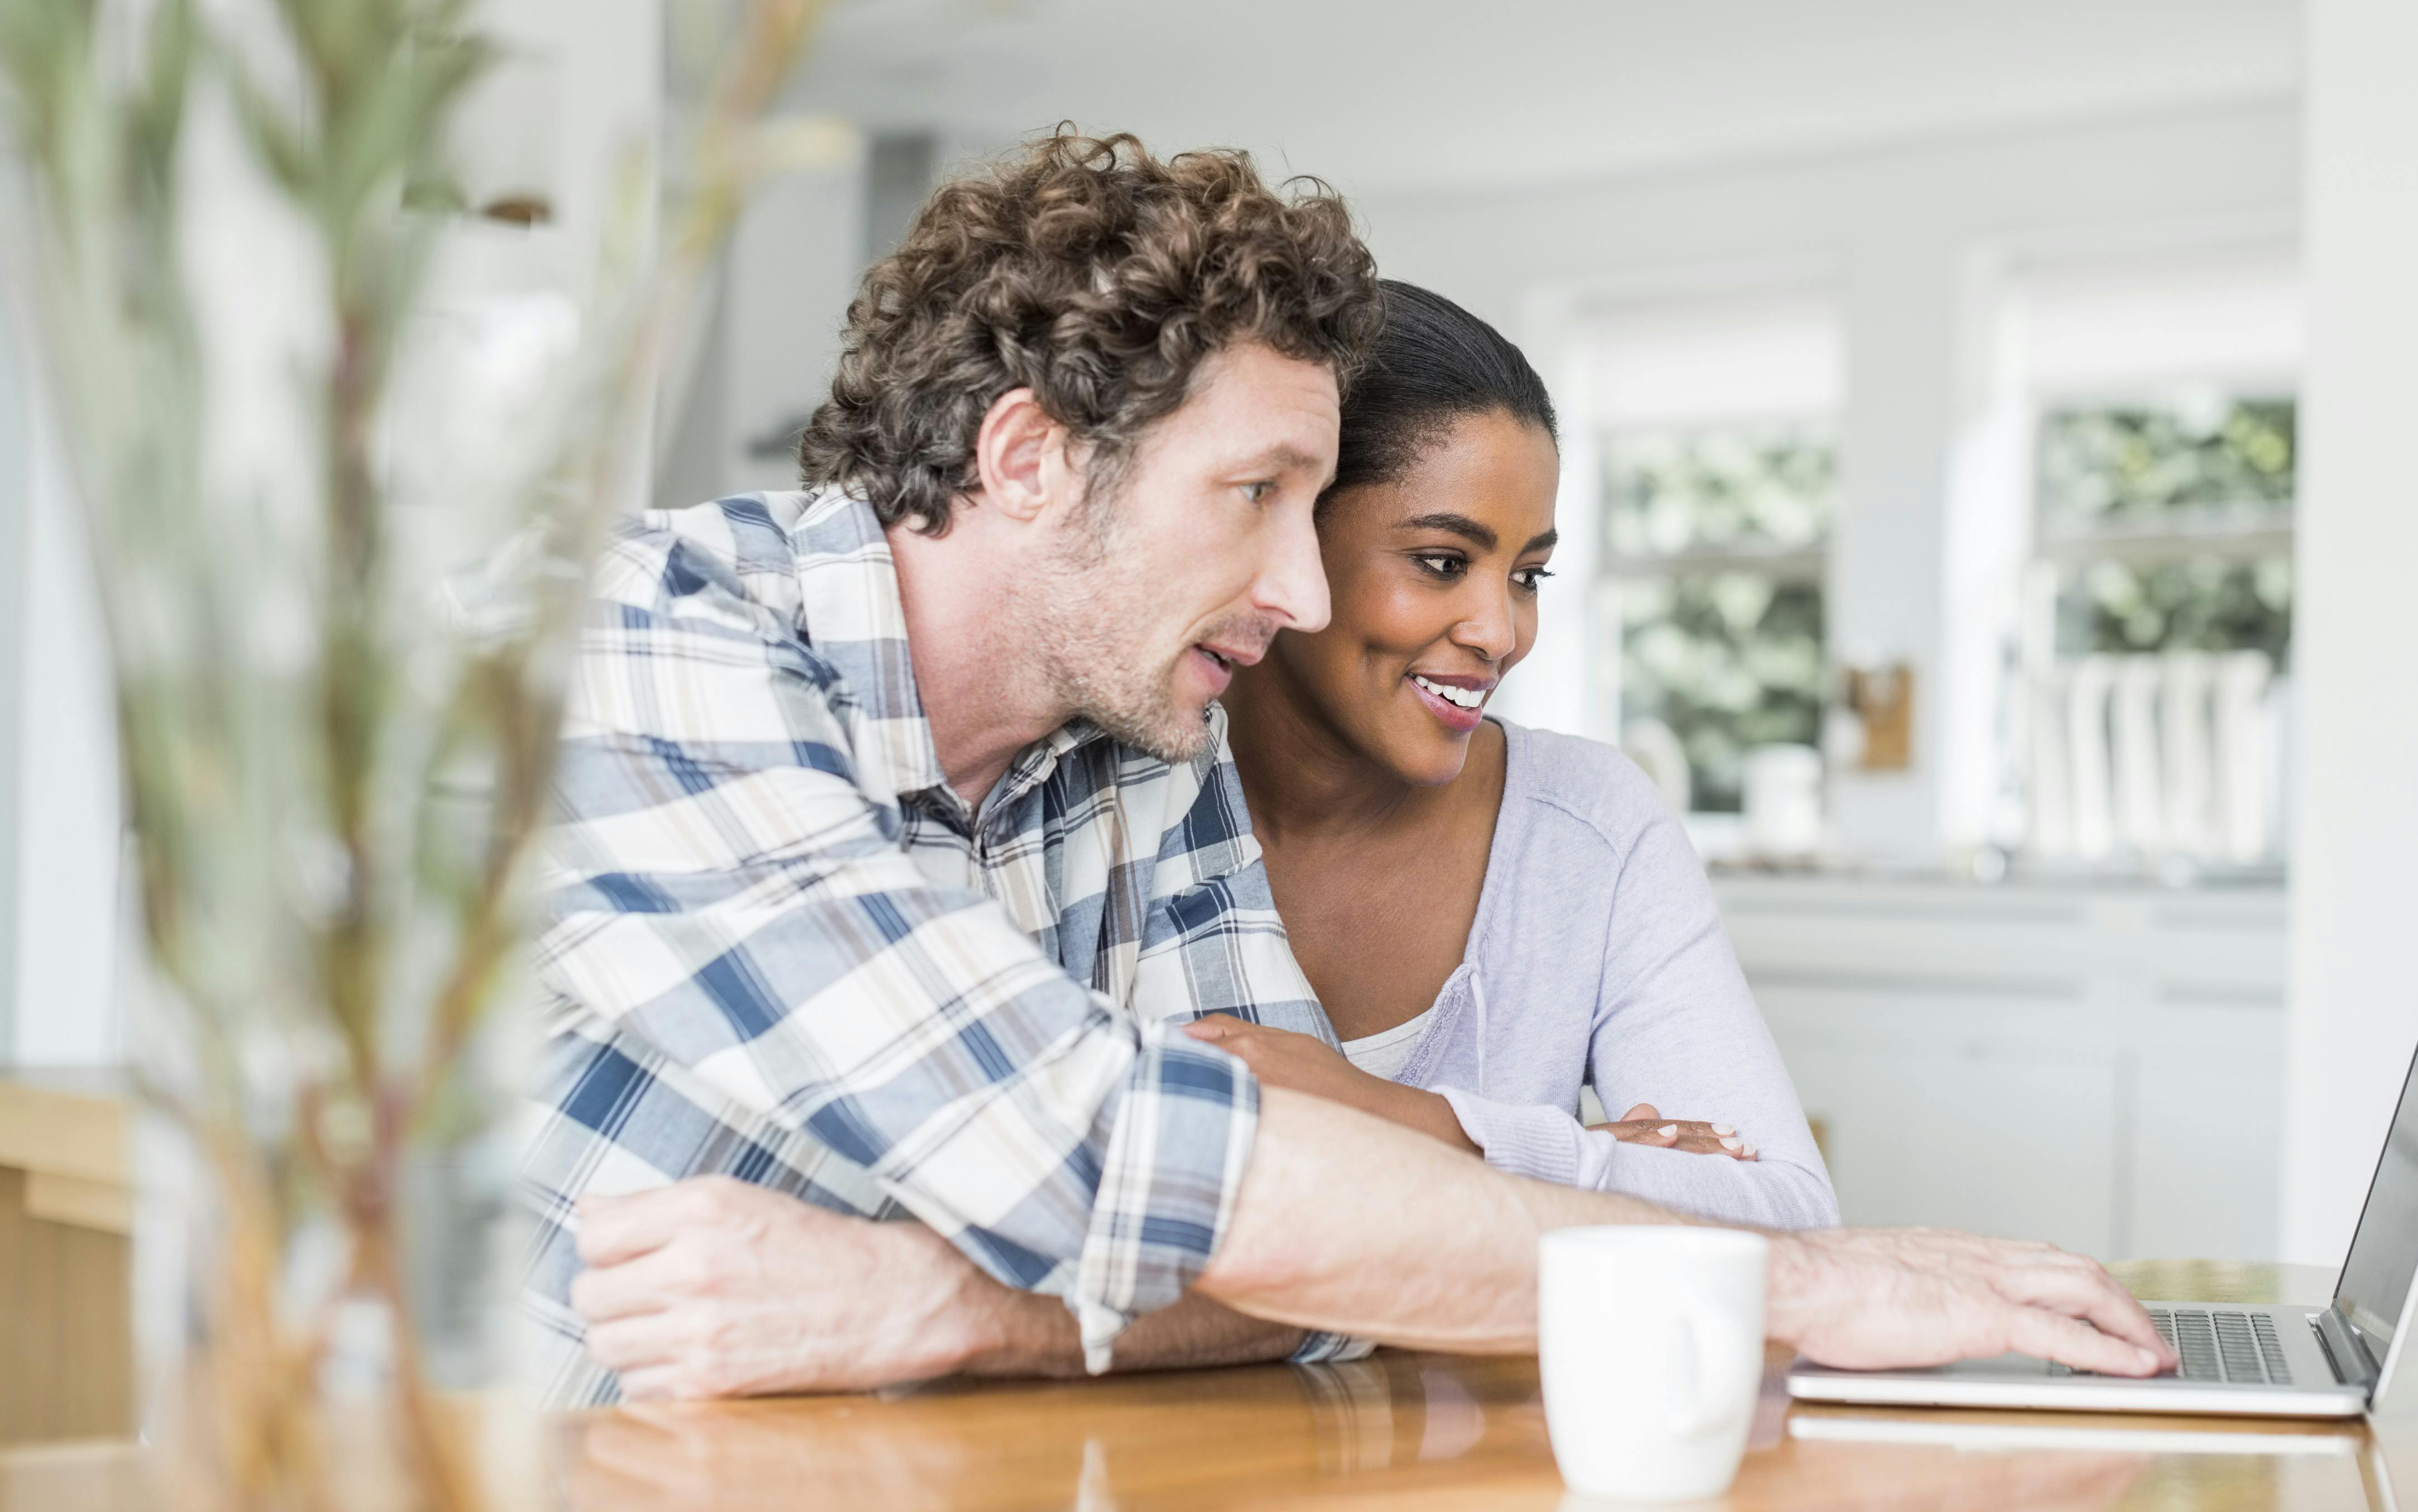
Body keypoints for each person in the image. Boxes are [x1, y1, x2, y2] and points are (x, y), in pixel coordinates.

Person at [528, 132, 2172, 1404]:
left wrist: (943, 1309)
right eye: (1255, 498)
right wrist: (1806, 1286)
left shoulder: (1132, 747)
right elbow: (1139, 1171)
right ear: (1029, 457)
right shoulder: (638, 659)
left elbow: (1319, 1250)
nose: (1304, 596)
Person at [1180, 283, 1835, 1228]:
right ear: (1287, 533)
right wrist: (1586, 1168)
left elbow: (1786, 1216)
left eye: (1528, 576)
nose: (1503, 631)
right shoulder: (1121, 797)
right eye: (1443, 562)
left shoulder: (1590, 828)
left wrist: (1409, 1121)